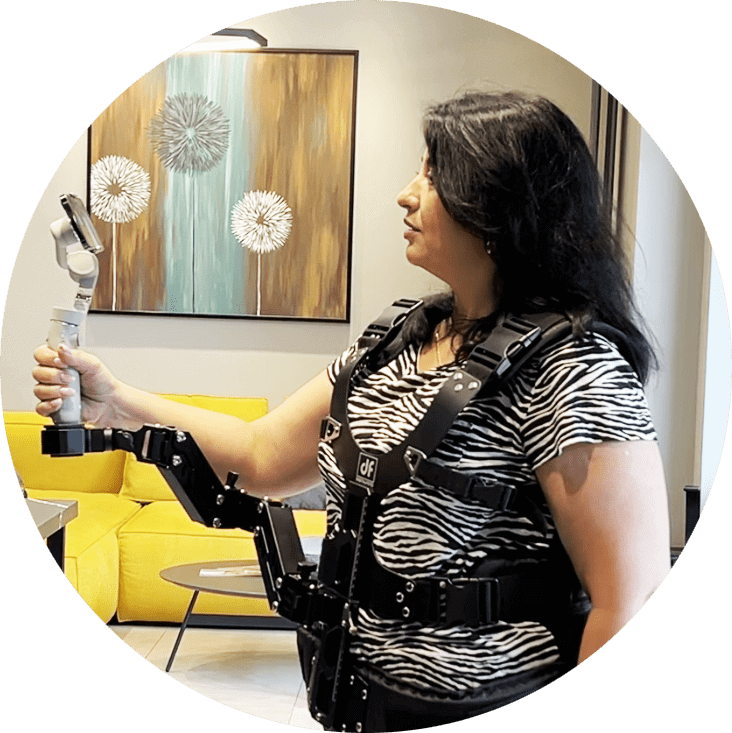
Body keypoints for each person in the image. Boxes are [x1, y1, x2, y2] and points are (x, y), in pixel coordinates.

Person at [33, 90, 671, 729]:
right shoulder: (395, 341)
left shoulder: (576, 370)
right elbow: (261, 456)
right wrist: (118, 401)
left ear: (498, 203)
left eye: (432, 176)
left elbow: (625, 603)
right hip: (355, 702)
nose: (406, 195)